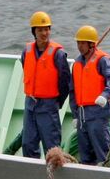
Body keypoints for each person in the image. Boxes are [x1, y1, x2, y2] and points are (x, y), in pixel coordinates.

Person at [19, 11, 71, 159]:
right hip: (30, 104)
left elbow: (65, 82)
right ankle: (32, 176)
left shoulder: (58, 54)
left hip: (48, 106)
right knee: (28, 144)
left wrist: (56, 102)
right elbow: (26, 68)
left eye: (47, 29)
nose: (44, 33)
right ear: (34, 31)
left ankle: (53, 178)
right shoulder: (26, 51)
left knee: (52, 148)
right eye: (40, 29)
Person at [69, 26, 110, 166]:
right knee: (85, 155)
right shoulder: (77, 63)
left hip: (98, 114)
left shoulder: (102, 60)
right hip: (82, 116)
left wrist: (105, 95)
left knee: (102, 153)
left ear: (91, 44)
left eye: (83, 43)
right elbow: (73, 91)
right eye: (78, 43)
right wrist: (74, 115)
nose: (80, 46)